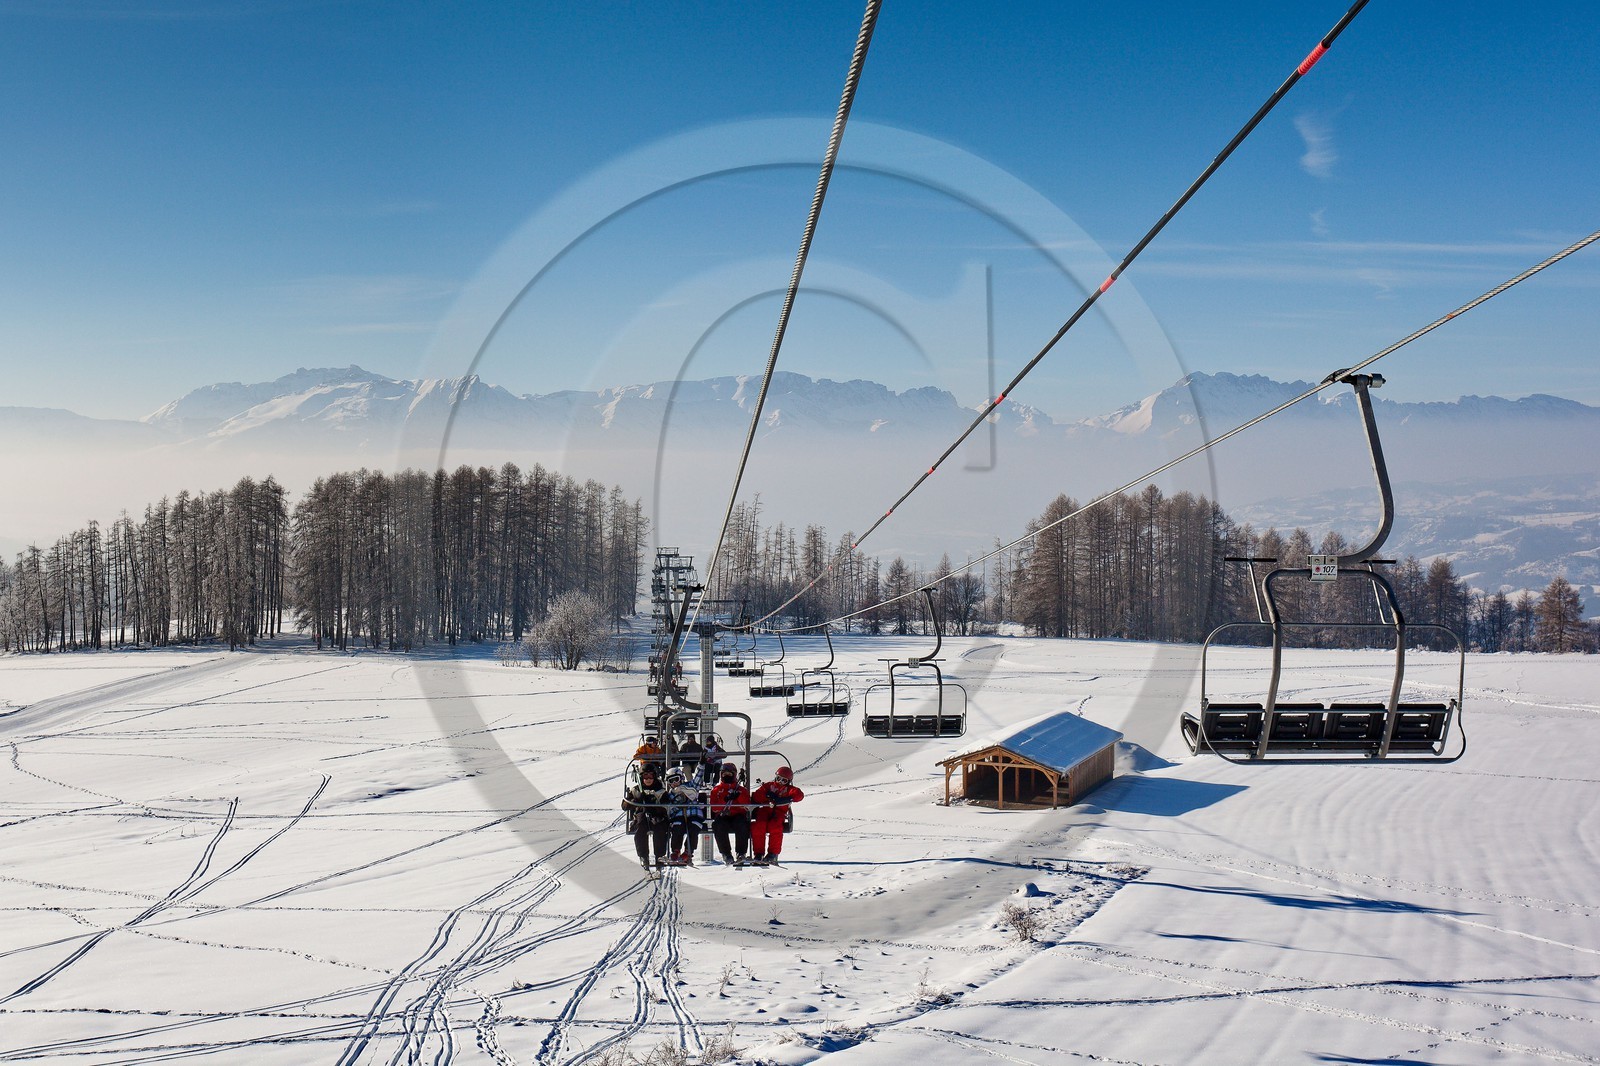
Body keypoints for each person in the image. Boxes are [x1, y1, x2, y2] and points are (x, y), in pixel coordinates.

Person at [748, 765, 804, 865]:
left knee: (776, 827)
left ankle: (772, 853)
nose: (780, 782)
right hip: (764, 810)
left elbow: (799, 795)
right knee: (758, 826)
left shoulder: (789, 790)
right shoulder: (768, 786)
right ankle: (758, 853)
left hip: (778, 813)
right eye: (779, 779)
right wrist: (766, 795)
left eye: (784, 780)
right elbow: (757, 796)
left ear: (788, 782)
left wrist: (787, 799)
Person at [622, 765, 670, 871]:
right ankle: (644, 856)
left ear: (655, 776)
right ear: (641, 777)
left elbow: (667, 804)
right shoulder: (636, 790)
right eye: (645, 776)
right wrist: (636, 801)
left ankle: (659, 857)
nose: (648, 779)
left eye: (650, 776)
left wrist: (656, 803)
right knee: (640, 827)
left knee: (660, 828)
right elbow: (624, 806)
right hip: (642, 816)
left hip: (657, 816)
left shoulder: (660, 790)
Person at [708, 763, 752, 865]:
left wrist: (738, 797)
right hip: (723, 815)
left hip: (738, 815)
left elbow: (747, 806)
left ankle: (741, 853)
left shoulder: (741, 790)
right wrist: (725, 800)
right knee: (718, 825)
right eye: (724, 774)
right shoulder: (716, 790)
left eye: (729, 774)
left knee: (742, 824)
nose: (726, 776)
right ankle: (726, 853)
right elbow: (714, 808)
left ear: (734, 775)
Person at [664, 767, 706, 865]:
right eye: (671, 781)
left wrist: (701, 765)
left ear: (682, 778)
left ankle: (688, 851)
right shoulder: (671, 794)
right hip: (679, 815)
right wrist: (677, 805)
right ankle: (676, 850)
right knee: (677, 828)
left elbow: (698, 779)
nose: (674, 783)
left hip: (694, 813)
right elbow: (669, 810)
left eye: (676, 779)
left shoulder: (690, 786)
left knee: (693, 828)